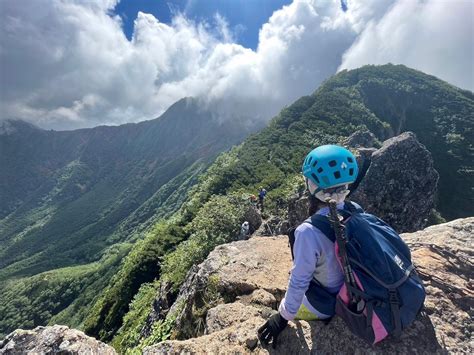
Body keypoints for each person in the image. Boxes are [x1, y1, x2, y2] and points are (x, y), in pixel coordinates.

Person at [257, 145, 359, 348]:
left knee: (286, 305)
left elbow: (299, 280)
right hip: (357, 288)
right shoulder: (354, 210)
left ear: (313, 186)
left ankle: (281, 310)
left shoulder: (308, 232)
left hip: (329, 301)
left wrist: (283, 317)